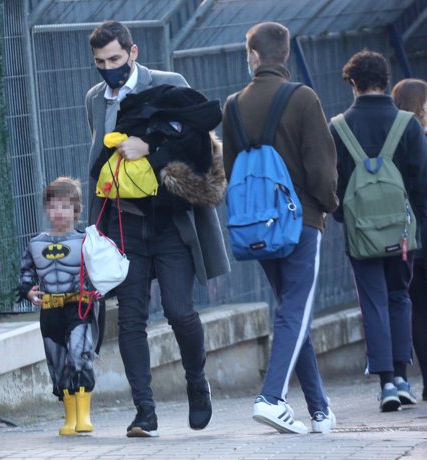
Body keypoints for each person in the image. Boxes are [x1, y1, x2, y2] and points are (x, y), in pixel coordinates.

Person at [85, 20, 230, 438]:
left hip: (170, 222)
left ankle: (196, 381)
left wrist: (151, 147)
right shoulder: (96, 98)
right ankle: (144, 412)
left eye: (114, 59)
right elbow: (100, 152)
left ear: (133, 53)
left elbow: (199, 142)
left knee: (179, 311)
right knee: (129, 320)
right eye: (99, 62)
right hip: (123, 222)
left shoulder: (168, 82)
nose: (108, 67)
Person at [221, 22, 339, 434]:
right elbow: (322, 165)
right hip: (301, 220)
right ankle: (272, 398)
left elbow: (230, 170)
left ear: (252, 55)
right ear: (285, 55)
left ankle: (320, 410)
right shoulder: (303, 97)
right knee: (295, 310)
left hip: (259, 228)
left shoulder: (233, 105)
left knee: (293, 311)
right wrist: (327, 205)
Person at [330, 54, 427, 412]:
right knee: (400, 297)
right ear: (386, 81)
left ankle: (385, 383)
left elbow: (332, 183)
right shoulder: (408, 123)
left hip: (361, 235)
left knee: (372, 301)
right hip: (403, 235)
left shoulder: (338, 126)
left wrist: (345, 216)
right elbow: (421, 181)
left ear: (351, 83)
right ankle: (403, 378)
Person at [18, 177, 100, 436]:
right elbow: (26, 274)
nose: (59, 212)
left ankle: (84, 415)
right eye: (53, 206)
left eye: (65, 206)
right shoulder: (35, 244)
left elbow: (101, 270)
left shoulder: (87, 240)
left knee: (80, 355)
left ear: (76, 209)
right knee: (58, 363)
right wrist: (27, 291)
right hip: (51, 309)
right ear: (46, 209)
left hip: (79, 307)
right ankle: (70, 416)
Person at [392, 78, 427, 401]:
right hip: (421, 228)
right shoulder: (420, 136)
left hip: (404, 236)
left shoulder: (392, 137)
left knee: (416, 307)